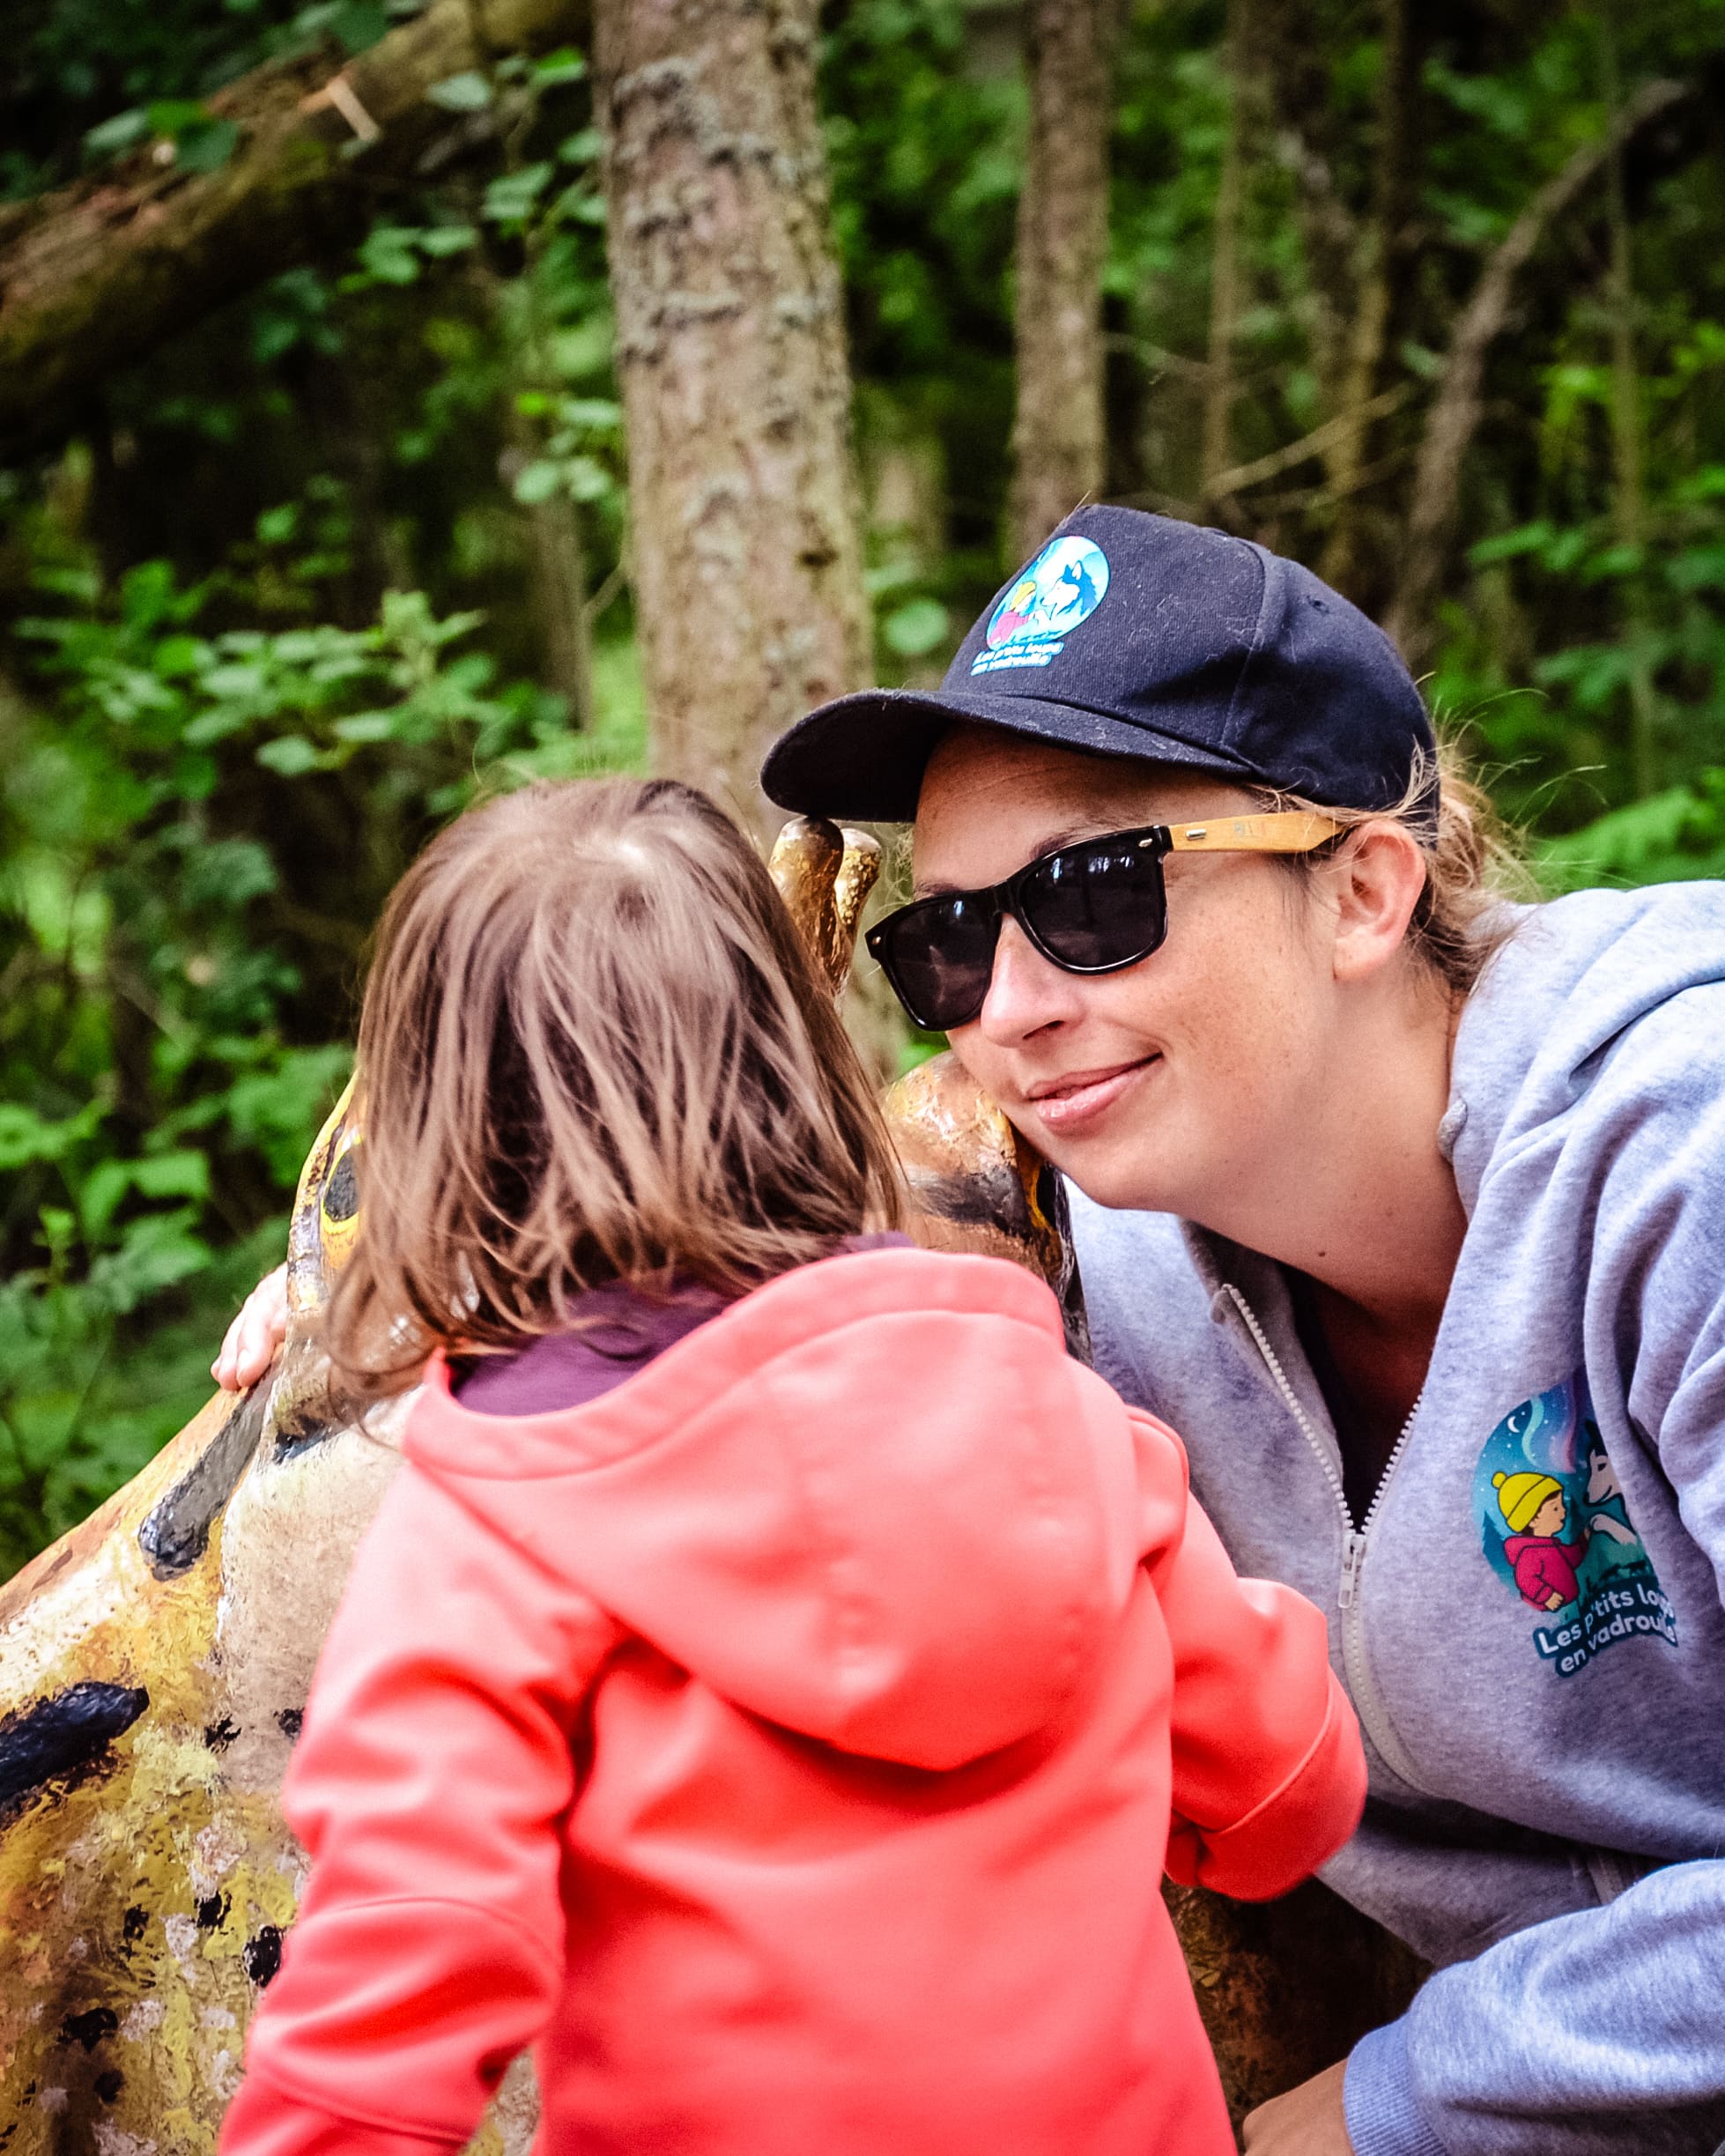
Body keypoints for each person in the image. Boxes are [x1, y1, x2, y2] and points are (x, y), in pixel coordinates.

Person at [755, 504, 1725, 2156]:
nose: (1009, 1010)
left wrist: (1406, 2103)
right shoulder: (1061, 1231)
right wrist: (408, 1331)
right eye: (948, 940)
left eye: (1096, 894)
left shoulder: (1680, 1160)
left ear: (1361, 890)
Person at [214, 774, 1366, 2156]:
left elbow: (390, 2000)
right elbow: (1287, 1799)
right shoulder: (1062, 1424)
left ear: (434, 1129)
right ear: (805, 1069)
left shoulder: (485, 1545)